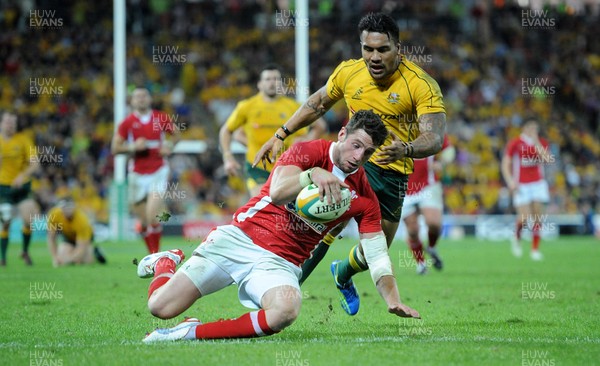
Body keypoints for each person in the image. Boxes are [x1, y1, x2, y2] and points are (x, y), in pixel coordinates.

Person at [138, 110, 420, 342]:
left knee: (285, 310)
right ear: (342, 134)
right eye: (356, 145)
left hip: (282, 263)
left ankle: (190, 333)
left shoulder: (364, 197)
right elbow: (277, 192)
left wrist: (392, 299)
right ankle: (165, 261)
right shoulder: (308, 151)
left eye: (368, 152)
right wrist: (311, 175)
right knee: (160, 307)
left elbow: (377, 253)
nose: (359, 157)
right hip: (240, 239)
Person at [254, 12, 446, 315]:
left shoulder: (421, 85)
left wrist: (406, 148)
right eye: (368, 49)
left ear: (399, 48)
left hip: (393, 173)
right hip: (354, 162)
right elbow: (317, 103)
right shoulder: (349, 72)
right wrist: (281, 133)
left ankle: (342, 271)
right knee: (322, 221)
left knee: (376, 248)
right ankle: (276, 291)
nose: (374, 57)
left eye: (383, 49)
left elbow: (434, 137)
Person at [219, 64, 326, 197]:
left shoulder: (293, 107)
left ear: (281, 83)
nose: (272, 83)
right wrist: (228, 157)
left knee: (286, 209)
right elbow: (227, 131)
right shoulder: (246, 107)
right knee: (262, 203)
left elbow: (320, 126)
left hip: (288, 167)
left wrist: (306, 142)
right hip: (258, 167)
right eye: (268, 79)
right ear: (259, 84)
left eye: (276, 79)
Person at [111, 87, 175, 254]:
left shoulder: (161, 117)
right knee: (144, 221)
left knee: (153, 215)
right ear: (132, 101)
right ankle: (152, 254)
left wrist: (169, 145)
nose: (140, 99)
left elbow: (176, 135)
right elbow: (115, 148)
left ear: (149, 99)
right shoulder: (127, 123)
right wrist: (133, 146)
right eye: (137, 96)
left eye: (144, 96)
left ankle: (156, 256)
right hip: (137, 174)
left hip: (158, 170)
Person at [401, 135, 454, 274]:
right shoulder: (396, 126)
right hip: (404, 187)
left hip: (427, 184)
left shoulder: (430, 129)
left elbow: (449, 150)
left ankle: (431, 247)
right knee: (412, 229)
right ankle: (421, 264)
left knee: (434, 223)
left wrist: (442, 163)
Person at [501, 118, 551, 261]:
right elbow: (505, 163)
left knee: (537, 217)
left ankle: (535, 250)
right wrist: (510, 181)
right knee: (524, 218)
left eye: (535, 128)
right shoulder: (515, 143)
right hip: (521, 184)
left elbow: (547, 159)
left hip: (538, 184)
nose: (532, 130)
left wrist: (536, 143)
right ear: (524, 128)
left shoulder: (541, 143)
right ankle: (516, 238)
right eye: (530, 127)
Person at [0, 111, 39, 266]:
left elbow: (34, 163)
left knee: (30, 218)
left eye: (13, 122)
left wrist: (23, 175)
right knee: (6, 220)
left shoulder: (23, 140)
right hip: (3, 188)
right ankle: (3, 257)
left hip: (22, 187)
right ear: (1, 123)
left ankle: (25, 251)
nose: (10, 125)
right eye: (8, 122)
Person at [46, 198, 107, 267]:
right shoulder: (54, 215)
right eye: (64, 207)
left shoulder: (82, 220)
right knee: (62, 256)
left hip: (85, 240)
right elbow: (51, 238)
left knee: (85, 261)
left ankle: (94, 251)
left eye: (69, 207)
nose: (67, 210)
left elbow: (81, 247)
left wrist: (69, 261)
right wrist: (55, 258)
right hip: (69, 238)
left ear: (74, 208)